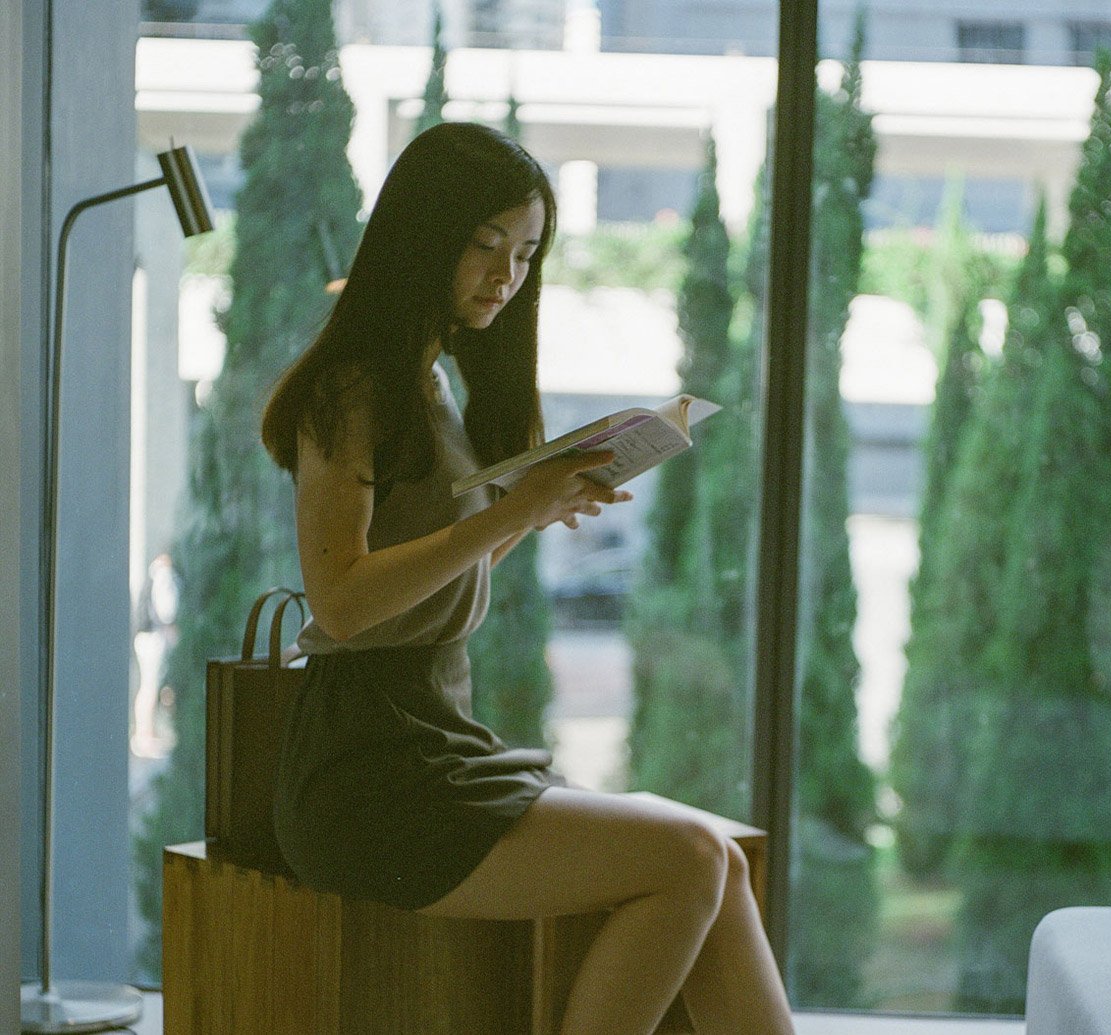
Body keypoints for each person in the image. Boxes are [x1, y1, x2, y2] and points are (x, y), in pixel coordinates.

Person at [259, 122, 794, 1035]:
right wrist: (514, 508)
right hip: (369, 771)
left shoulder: (434, 384)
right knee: (694, 857)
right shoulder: (354, 386)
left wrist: (536, 508)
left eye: (527, 252)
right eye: (485, 245)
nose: (506, 274)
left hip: (431, 737)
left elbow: (430, 585)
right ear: (426, 234)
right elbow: (343, 604)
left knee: (719, 862)